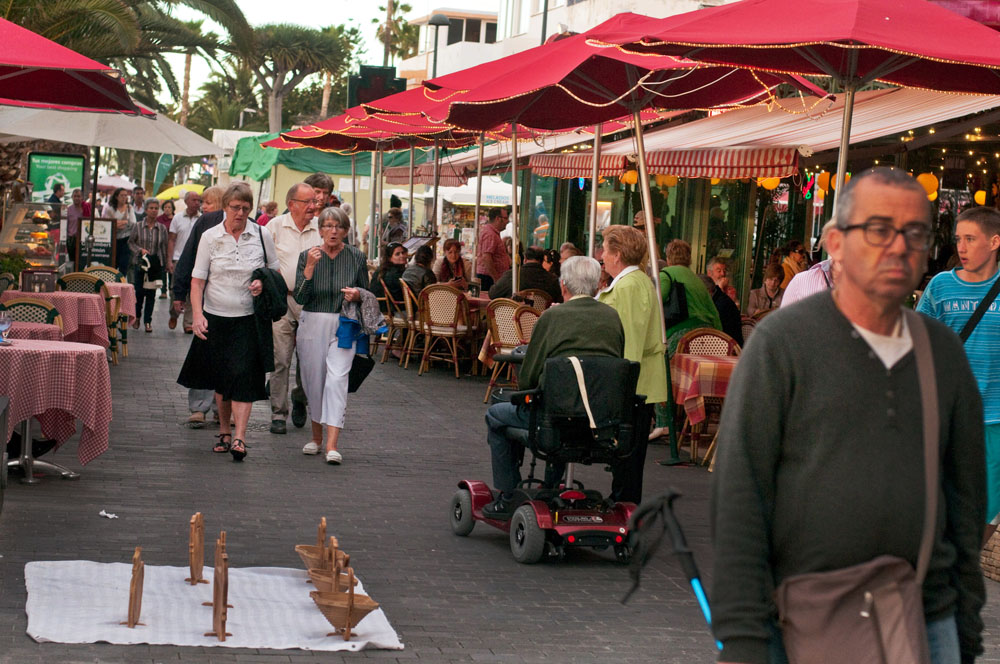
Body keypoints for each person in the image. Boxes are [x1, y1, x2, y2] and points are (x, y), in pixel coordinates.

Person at [711, 167, 985, 664]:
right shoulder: (783, 345)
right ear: (836, 242)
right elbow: (740, 498)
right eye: (879, 230)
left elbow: (965, 503)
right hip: (796, 619)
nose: (899, 246)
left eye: (916, 233)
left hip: (923, 617)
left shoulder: (940, 353)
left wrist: (964, 629)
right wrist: (744, 639)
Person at [481, 256, 625, 518]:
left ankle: (507, 493)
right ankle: (550, 485)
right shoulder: (613, 317)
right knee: (558, 410)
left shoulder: (553, 316)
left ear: (563, 286)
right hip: (600, 419)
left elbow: (529, 378)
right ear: (597, 286)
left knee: (496, 414)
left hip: (553, 419)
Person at [178, 182, 279, 462]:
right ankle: (224, 430)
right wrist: (197, 315)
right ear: (225, 207)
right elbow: (197, 281)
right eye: (235, 208)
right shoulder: (210, 236)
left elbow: (274, 272)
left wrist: (261, 282)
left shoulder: (261, 235)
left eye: (246, 209)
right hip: (216, 316)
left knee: (244, 376)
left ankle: (240, 437)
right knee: (222, 378)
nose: (240, 213)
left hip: (249, 318)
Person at [918, 206, 1000, 545]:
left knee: (987, 509)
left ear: (995, 242)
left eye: (970, 239)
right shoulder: (940, 286)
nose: (961, 247)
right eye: (958, 239)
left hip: (994, 419)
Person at [293, 207, 369, 465]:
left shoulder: (357, 256)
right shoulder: (307, 256)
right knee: (313, 380)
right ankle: (316, 438)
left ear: (346, 231)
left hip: (344, 324)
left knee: (337, 379)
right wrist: (310, 268)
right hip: (313, 321)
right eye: (327, 226)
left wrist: (357, 295)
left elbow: (366, 293)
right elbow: (300, 297)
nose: (333, 231)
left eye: (338, 226)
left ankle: (332, 445)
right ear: (320, 229)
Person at [597, 225, 668, 503]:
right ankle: (624, 505)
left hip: (633, 384)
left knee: (627, 454)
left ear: (617, 254)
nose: (602, 256)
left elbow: (630, 343)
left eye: (605, 249)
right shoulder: (634, 282)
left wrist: (617, 385)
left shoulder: (629, 286)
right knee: (630, 454)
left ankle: (623, 508)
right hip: (639, 383)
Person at [652, 239, 722, 440]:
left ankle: (664, 422)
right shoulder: (697, 280)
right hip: (711, 337)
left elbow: (656, 301)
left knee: (661, 366)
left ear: (668, 257)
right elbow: (714, 314)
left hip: (684, 335)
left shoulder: (667, 275)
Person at [266, 183, 320, 435]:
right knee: (280, 358)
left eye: (315, 201)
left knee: (309, 361)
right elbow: (261, 261)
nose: (314, 206)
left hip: (311, 302)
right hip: (282, 300)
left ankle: (300, 396)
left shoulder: (321, 227)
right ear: (292, 204)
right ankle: (278, 413)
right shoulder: (274, 227)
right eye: (308, 201)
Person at [171, 186, 223, 428]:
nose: (204, 207)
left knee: (225, 355)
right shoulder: (205, 223)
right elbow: (188, 258)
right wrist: (179, 291)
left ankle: (220, 408)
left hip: (230, 303)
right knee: (203, 351)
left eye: (208, 202)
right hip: (204, 298)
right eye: (203, 202)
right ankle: (200, 406)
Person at [128, 198, 167, 333]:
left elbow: (164, 247)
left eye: (156, 208)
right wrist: (140, 250)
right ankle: (137, 316)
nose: (154, 210)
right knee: (139, 292)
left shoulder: (161, 228)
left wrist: (164, 264)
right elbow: (131, 242)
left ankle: (148, 321)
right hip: (140, 264)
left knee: (151, 294)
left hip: (155, 266)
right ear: (145, 210)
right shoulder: (138, 226)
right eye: (151, 208)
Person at [781, 221, 840, 308]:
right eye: (800, 252)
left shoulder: (803, 268)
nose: (804, 254)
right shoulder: (799, 278)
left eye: (804, 251)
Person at [167, 190, 203, 332]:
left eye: (198, 200)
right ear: (186, 201)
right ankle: (174, 314)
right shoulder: (177, 218)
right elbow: (171, 239)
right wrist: (169, 260)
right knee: (175, 290)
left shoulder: (202, 219)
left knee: (192, 290)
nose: (197, 203)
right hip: (178, 259)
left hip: (195, 260)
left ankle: (188, 323)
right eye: (194, 200)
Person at [488, 245, 562, 303]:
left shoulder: (512, 275)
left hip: (512, 319)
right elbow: (559, 301)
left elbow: (493, 294)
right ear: (542, 260)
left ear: (525, 259)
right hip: (541, 320)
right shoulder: (552, 280)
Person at [699, 274, 743, 347]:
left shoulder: (721, 304)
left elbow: (712, 330)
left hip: (729, 349)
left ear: (707, 291)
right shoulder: (717, 297)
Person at [476, 207, 510, 291]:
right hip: (488, 278)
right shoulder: (490, 234)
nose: (507, 221)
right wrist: (496, 278)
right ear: (498, 218)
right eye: (505, 218)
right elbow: (486, 257)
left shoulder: (493, 233)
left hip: (490, 277)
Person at [103, 187, 136, 274]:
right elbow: (107, 224)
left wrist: (118, 223)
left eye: (126, 195)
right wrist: (120, 223)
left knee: (124, 264)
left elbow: (132, 223)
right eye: (122, 195)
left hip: (126, 239)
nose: (124, 197)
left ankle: (122, 282)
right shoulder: (109, 208)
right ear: (117, 197)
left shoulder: (129, 208)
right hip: (113, 240)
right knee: (113, 264)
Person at [370, 241, 408, 310]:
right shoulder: (392, 273)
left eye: (403, 253)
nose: (402, 256)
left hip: (380, 306)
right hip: (390, 309)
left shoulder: (383, 268)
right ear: (389, 258)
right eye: (397, 254)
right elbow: (400, 294)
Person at [64, 188, 90, 268]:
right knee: (72, 262)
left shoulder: (86, 208)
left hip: (83, 240)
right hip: (72, 239)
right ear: (72, 197)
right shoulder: (68, 209)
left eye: (78, 196)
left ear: (82, 198)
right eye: (75, 196)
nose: (76, 198)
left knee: (82, 263)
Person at [155, 199, 176, 299]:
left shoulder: (176, 219)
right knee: (163, 269)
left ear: (173, 209)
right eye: (165, 207)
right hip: (162, 246)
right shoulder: (159, 219)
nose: (167, 209)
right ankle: (163, 291)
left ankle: (172, 288)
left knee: (172, 267)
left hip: (173, 247)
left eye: (169, 207)